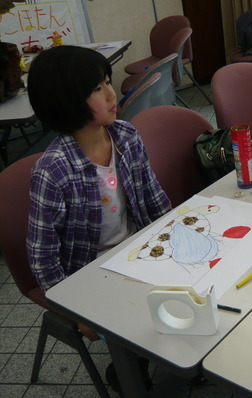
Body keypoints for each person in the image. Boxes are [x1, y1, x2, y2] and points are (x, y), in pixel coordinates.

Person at [25, 46, 172, 342]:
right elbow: (43, 256)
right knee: (137, 326)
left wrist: (175, 237)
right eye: (97, 88)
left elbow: (154, 197)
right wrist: (72, 311)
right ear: (65, 101)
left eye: (107, 81)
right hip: (91, 272)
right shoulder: (53, 171)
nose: (111, 94)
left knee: (190, 294)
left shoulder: (126, 136)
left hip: (137, 250)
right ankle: (130, 369)